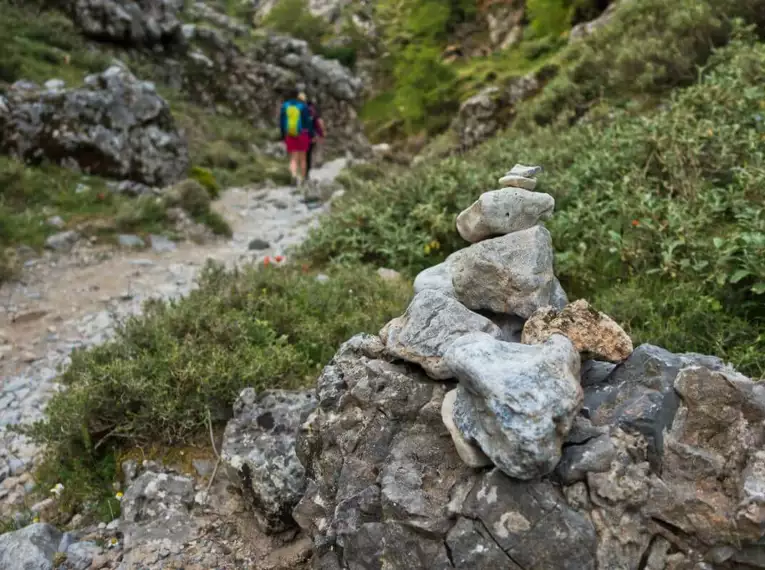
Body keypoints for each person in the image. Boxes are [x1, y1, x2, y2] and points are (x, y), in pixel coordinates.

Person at [279, 89, 312, 185]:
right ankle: (302, 179)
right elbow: (307, 122)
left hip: (290, 133)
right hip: (302, 134)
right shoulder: (303, 106)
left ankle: (293, 176)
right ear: (298, 96)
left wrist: (282, 135)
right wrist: (310, 134)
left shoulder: (285, 106)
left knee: (293, 158)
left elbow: (281, 122)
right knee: (303, 158)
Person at [303, 95, 325, 180]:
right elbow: (317, 125)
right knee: (308, 155)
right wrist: (320, 135)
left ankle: (299, 173)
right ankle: (306, 174)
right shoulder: (312, 112)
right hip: (310, 137)